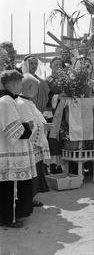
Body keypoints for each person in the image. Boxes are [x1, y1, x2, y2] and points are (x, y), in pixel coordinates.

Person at [0, 70, 36, 228]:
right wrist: (29, 126)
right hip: (9, 151)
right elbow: (13, 130)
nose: (22, 86)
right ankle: (8, 218)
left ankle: (9, 216)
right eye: (21, 83)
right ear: (14, 84)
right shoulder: (6, 101)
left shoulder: (8, 100)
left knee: (8, 185)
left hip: (11, 150)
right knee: (8, 186)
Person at [17, 74, 52, 207]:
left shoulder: (29, 102)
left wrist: (43, 125)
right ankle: (26, 200)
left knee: (35, 173)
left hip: (35, 145)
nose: (37, 91)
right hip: (28, 145)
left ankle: (29, 198)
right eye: (36, 88)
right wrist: (42, 126)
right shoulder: (20, 103)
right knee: (29, 174)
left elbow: (37, 120)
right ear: (30, 87)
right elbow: (27, 124)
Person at [44, 57, 65, 174]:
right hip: (52, 112)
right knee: (52, 138)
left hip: (64, 112)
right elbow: (46, 97)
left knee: (61, 137)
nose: (58, 67)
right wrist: (58, 97)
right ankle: (51, 164)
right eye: (56, 65)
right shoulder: (47, 81)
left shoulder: (66, 80)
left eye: (60, 65)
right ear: (50, 66)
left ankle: (61, 164)